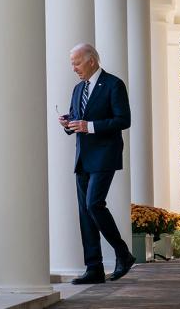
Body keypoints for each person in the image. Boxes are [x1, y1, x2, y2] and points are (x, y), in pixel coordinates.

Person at [58, 43, 135, 285]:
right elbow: (77, 119)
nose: (74, 68)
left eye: (77, 63)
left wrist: (88, 126)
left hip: (105, 154)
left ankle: (122, 253)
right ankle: (94, 268)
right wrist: (69, 123)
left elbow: (124, 120)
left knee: (94, 204)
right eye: (72, 63)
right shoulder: (77, 88)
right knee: (85, 212)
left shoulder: (114, 84)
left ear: (91, 60)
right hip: (83, 156)